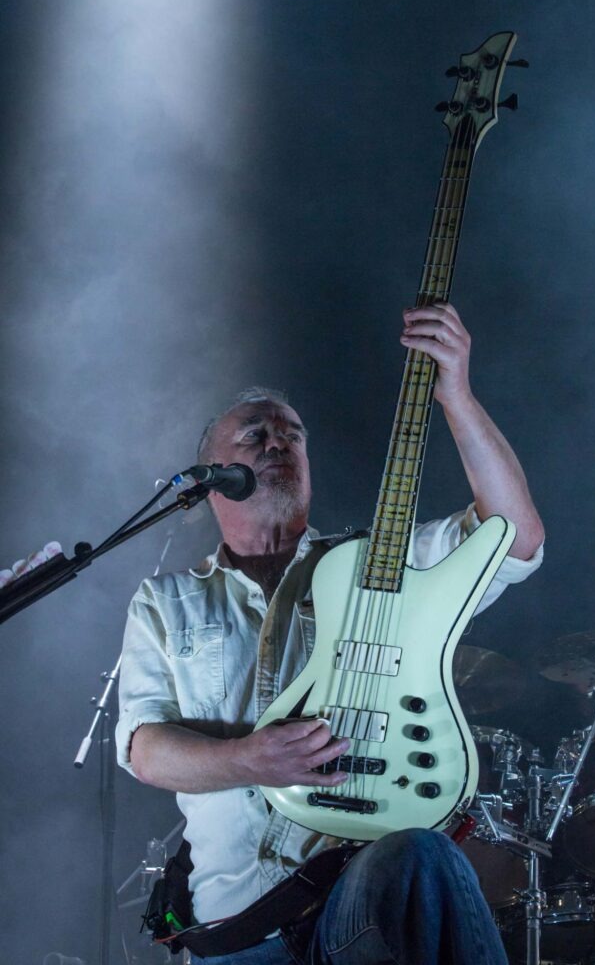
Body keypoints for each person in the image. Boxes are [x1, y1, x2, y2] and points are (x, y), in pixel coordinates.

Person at [116, 301, 544, 965]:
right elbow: (145, 749)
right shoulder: (166, 601)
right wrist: (251, 760)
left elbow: (514, 539)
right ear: (210, 476)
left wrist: (456, 395)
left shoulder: (379, 567)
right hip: (237, 934)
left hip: (354, 906)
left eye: (292, 435)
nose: (278, 444)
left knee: (423, 853)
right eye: (253, 435)